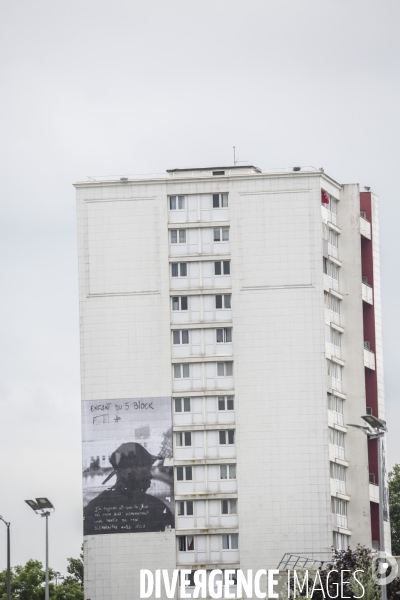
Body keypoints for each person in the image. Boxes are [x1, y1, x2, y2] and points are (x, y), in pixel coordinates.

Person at [84, 442, 174, 535]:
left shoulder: (93, 508)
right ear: (134, 469)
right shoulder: (157, 508)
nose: (150, 475)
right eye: (148, 468)